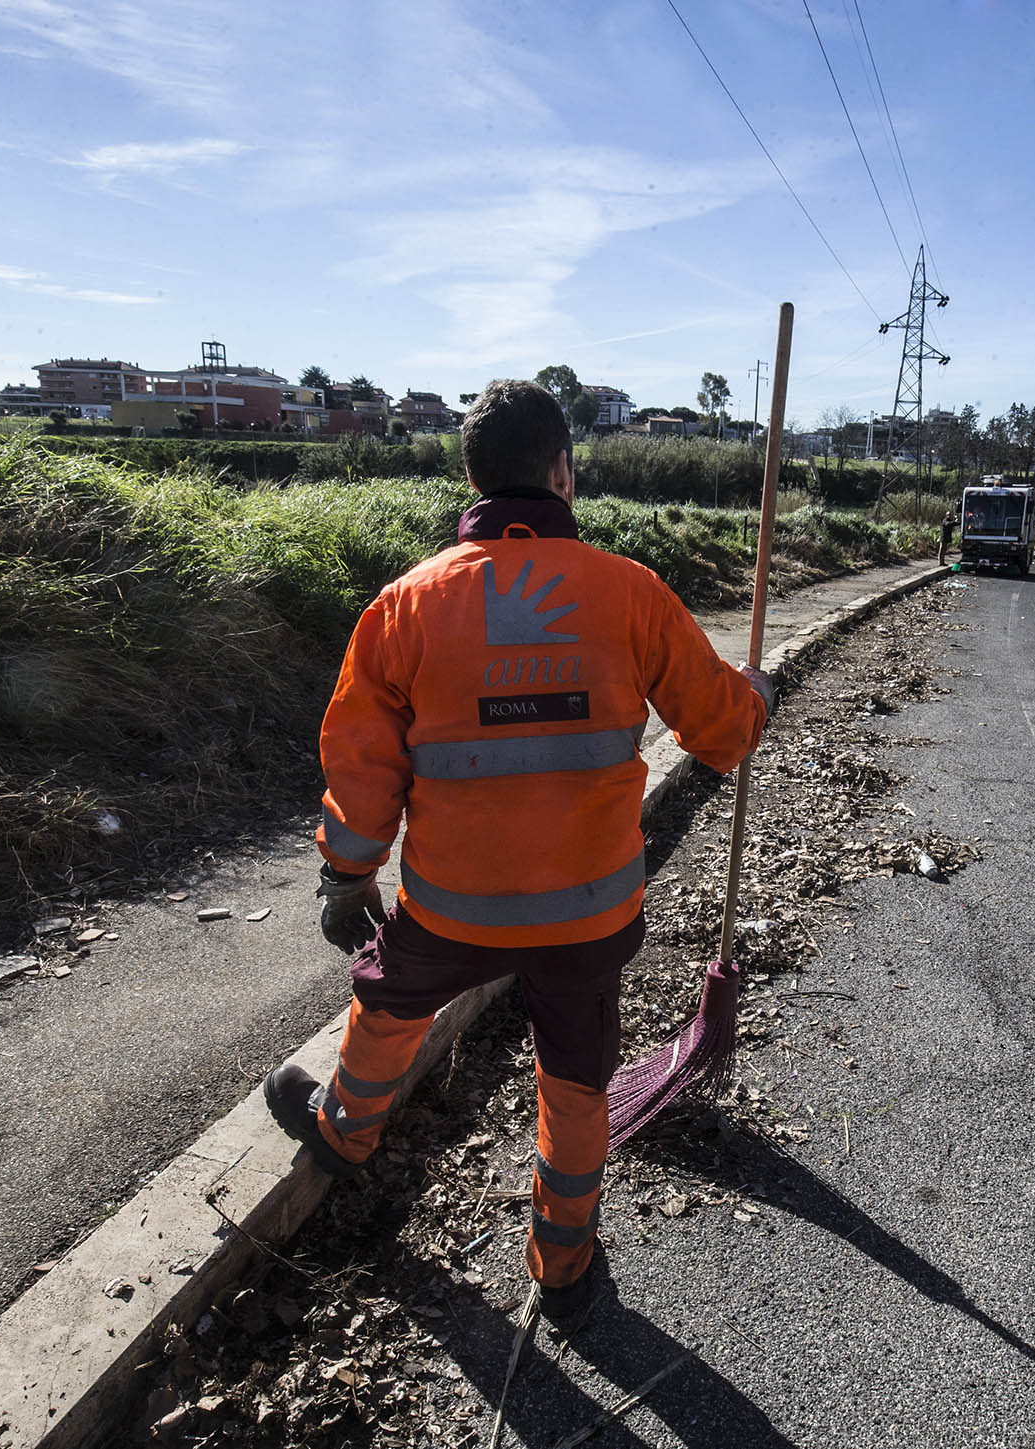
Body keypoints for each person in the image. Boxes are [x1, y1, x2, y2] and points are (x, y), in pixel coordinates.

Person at [265, 379, 772, 1322]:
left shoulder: (405, 605)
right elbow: (722, 736)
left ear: (470, 477)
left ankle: (344, 1134)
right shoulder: (631, 593)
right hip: (590, 914)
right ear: (562, 473)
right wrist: (757, 692)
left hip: (454, 907)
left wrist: (346, 872)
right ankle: (563, 1263)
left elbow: (362, 761)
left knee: (387, 995)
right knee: (577, 1076)